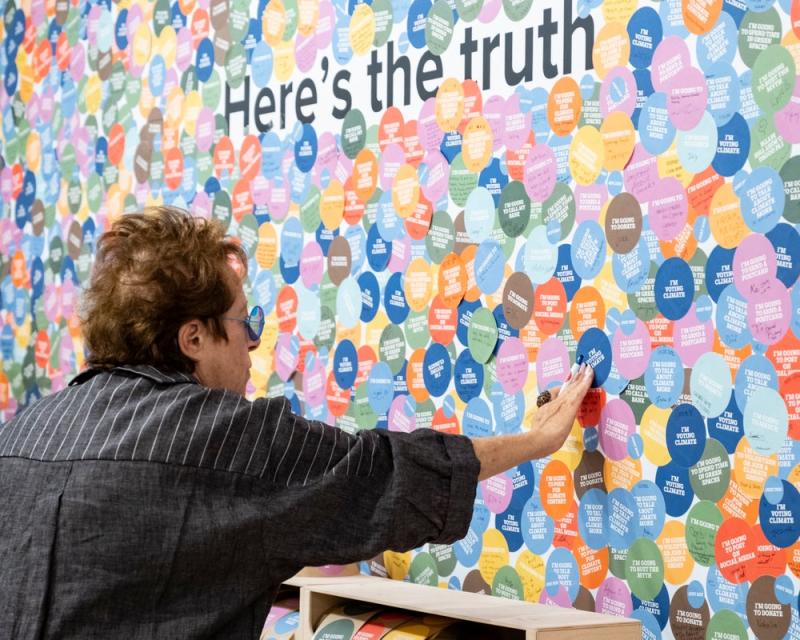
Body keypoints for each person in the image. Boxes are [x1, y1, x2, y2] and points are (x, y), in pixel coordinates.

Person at [0, 206, 594, 638]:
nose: (255, 344)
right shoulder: (219, 436)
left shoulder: (21, 433)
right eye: (245, 322)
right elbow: (380, 472)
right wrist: (536, 440)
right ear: (194, 337)